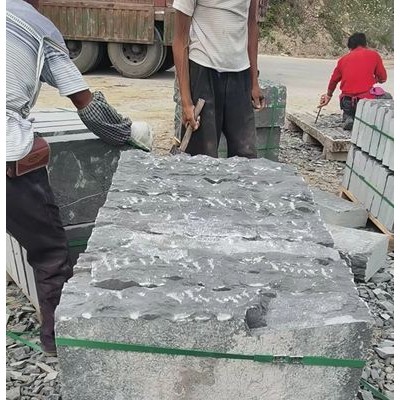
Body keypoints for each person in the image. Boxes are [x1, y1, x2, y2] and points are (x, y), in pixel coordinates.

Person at [6, 0, 153, 355]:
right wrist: (128, 133)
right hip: (7, 153)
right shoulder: (39, 27)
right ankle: (59, 342)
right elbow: (86, 106)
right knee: (51, 253)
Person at [172, 0, 266, 158]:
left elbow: (251, 25)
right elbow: (180, 40)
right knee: (201, 158)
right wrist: (186, 103)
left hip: (240, 76)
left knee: (246, 156)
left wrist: (254, 83)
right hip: (203, 73)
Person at [318, 32, 391, 130]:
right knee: (387, 97)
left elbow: (333, 80)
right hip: (365, 101)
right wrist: (374, 80)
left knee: (348, 107)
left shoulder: (343, 60)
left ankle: (348, 116)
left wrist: (328, 95)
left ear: (350, 46)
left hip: (347, 102)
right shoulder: (374, 55)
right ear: (365, 44)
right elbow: (383, 78)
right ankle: (376, 121)